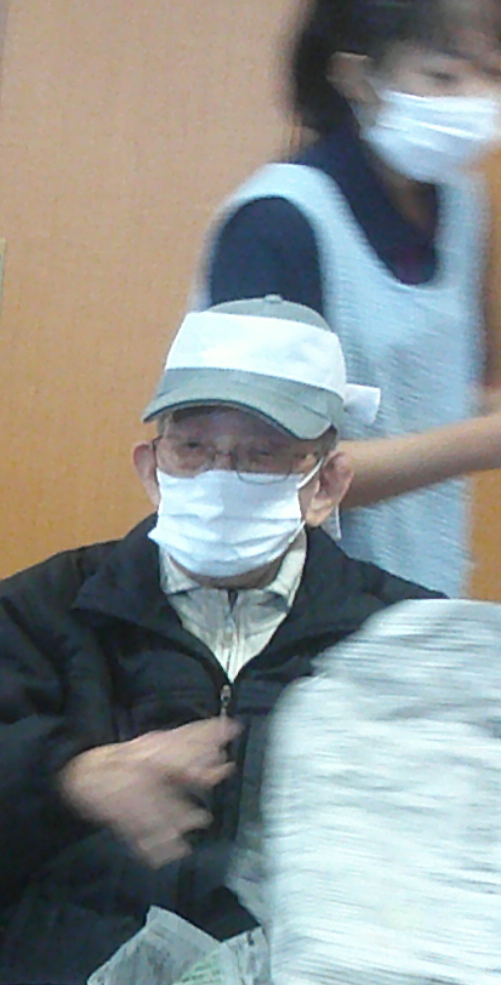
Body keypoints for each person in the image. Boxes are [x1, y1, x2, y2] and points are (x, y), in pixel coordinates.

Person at [0, 298, 431, 985]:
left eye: (260, 454)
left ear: (325, 484)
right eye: (192, 449)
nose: (220, 477)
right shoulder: (49, 606)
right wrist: (72, 776)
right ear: (151, 468)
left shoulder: (398, 639)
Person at [201, 0, 501, 596]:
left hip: (421, 592)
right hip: (286, 607)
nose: (473, 99)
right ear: (357, 76)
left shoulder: (464, 207)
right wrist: (483, 442)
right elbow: (261, 474)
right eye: (442, 76)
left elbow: (445, 384)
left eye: (492, 73)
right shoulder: (276, 222)